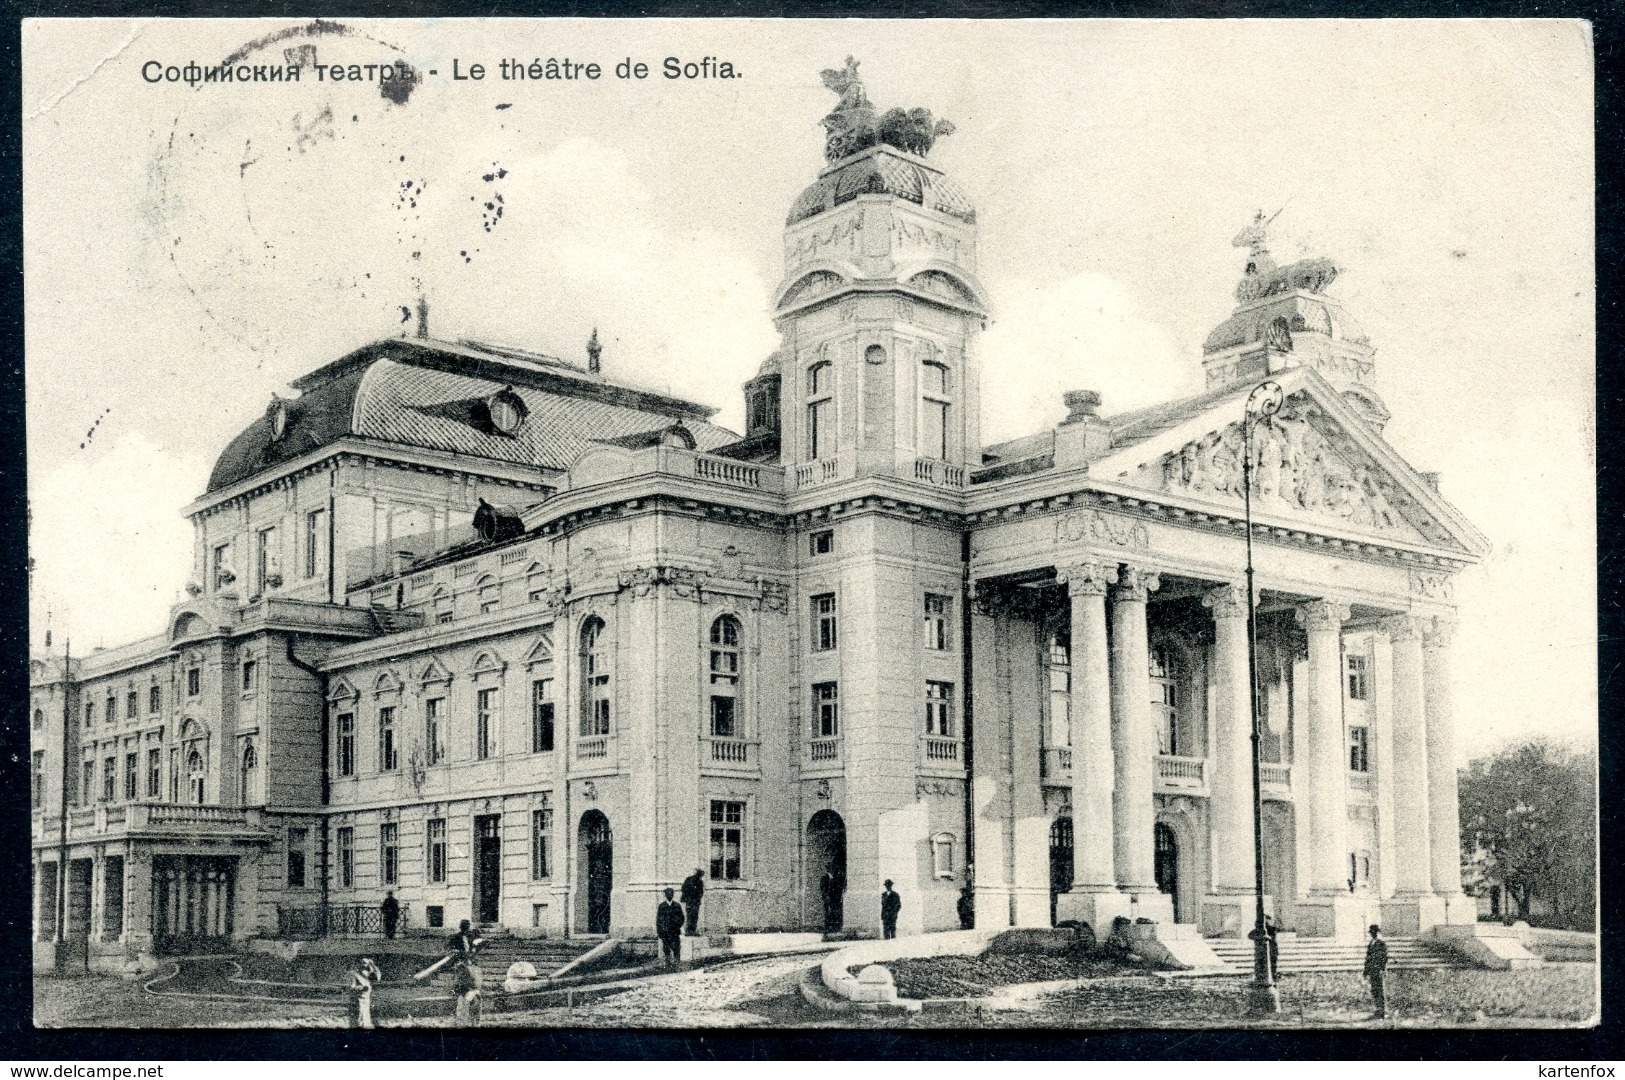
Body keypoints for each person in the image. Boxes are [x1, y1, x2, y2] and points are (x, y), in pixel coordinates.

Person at [448, 919, 484, 1026]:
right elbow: (450, 949)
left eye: (467, 927)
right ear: (461, 928)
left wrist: (474, 950)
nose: (466, 929)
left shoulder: (471, 936)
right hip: (461, 962)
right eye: (465, 927)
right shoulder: (456, 937)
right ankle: (458, 990)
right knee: (464, 981)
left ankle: (472, 1021)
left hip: (470, 962)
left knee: (473, 983)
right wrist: (455, 952)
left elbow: (479, 945)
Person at [1363, 923, 1390, 1020]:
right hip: (1372, 971)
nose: (1372, 934)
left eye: (1374, 932)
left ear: (1377, 932)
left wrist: (1382, 970)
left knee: (1380, 991)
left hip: (1378, 971)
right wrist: (1365, 971)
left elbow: (1384, 958)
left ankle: (1383, 1012)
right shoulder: (1371, 943)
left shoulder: (1381, 943)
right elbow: (1368, 958)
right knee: (1374, 991)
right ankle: (1378, 1010)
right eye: (1371, 932)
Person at [347, 957, 382, 1029]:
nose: (362, 964)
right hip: (357, 999)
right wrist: (362, 988)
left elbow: (377, 978)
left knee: (366, 1018)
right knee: (359, 1017)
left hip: (366, 999)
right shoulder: (354, 974)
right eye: (361, 962)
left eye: (365, 963)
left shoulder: (366, 973)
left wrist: (373, 965)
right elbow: (351, 987)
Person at [656, 887, 685, 966]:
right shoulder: (662, 906)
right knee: (666, 948)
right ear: (665, 895)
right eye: (667, 893)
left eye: (671, 893)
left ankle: (677, 962)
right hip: (665, 932)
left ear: (673, 895)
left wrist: (677, 925)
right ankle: (667, 963)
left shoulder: (677, 905)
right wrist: (659, 931)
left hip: (675, 931)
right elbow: (658, 920)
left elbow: (682, 918)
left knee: (676, 947)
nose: (669, 895)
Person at [681, 868, 706, 937]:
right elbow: (701, 892)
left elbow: (683, 888)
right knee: (693, 917)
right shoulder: (699, 881)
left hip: (690, 901)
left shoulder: (688, 879)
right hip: (694, 902)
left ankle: (689, 931)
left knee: (690, 916)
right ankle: (691, 931)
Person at [819, 868, 845, 933]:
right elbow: (822, 888)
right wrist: (826, 896)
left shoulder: (836, 878)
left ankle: (834, 927)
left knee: (835, 912)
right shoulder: (824, 878)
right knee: (828, 912)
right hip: (828, 898)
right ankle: (828, 928)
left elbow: (838, 887)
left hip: (835, 898)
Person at [1263, 914, 1280, 982]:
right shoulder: (1268, 927)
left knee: (1273, 964)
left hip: (1272, 948)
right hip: (1269, 948)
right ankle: (1272, 976)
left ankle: (1273, 977)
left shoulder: (1271, 928)